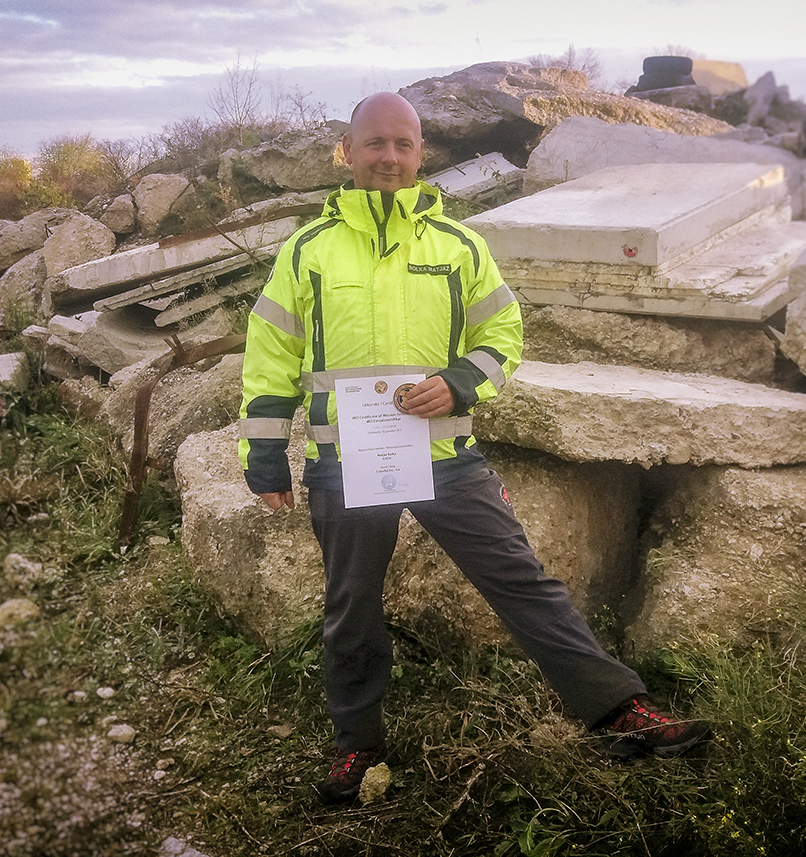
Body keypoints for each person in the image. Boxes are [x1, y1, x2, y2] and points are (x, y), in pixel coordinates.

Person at [238, 92, 709, 803]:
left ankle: (619, 709)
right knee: (351, 609)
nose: (389, 157)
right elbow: (271, 356)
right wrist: (265, 455)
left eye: (403, 144)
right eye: (375, 143)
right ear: (348, 151)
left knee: (523, 581)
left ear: (420, 152)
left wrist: (460, 384)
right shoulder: (307, 251)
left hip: (445, 458)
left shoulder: (459, 247)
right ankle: (357, 745)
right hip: (345, 464)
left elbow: (504, 335)